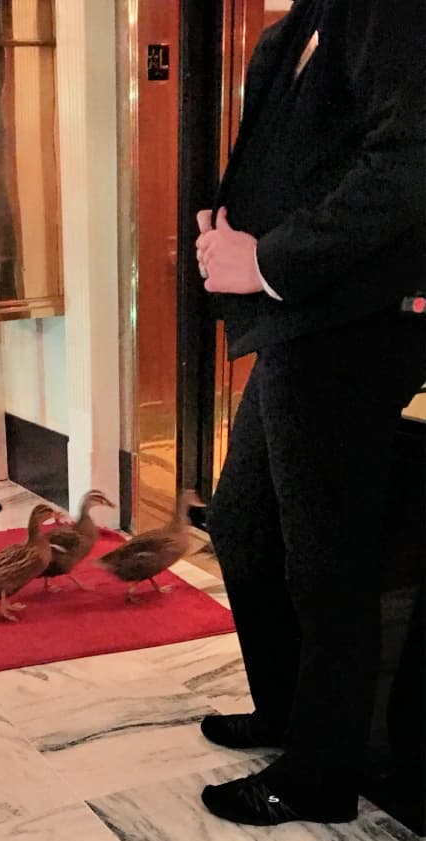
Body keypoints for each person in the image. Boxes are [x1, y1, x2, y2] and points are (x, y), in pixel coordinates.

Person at [193, 0, 426, 828]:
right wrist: (229, 232)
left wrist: (264, 259)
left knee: (325, 561)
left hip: (350, 324)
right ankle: (292, 713)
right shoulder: (300, 24)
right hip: (297, 321)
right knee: (242, 524)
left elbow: (407, 164)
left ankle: (322, 770)